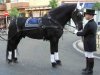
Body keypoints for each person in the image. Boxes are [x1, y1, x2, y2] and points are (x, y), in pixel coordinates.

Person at [74, 9, 97, 74]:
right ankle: (87, 68)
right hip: (89, 42)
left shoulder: (89, 24)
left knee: (90, 56)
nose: (85, 16)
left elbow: (83, 33)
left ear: (91, 16)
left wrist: (76, 32)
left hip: (89, 43)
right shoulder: (92, 23)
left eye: (86, 15)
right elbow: (86, 32)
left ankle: (90, 70)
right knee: (87, 55)